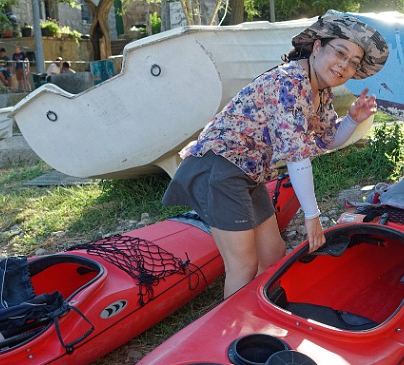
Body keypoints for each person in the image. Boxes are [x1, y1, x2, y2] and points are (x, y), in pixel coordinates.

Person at [162, 11, 388, 299]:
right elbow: (297, 156)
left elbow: (328, 139)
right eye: (340, 53)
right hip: (217, 165)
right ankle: (233, 332)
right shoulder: (289, 82)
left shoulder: (319, 90)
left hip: (247, 172)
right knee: (243, 266)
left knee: (273, 252)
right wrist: (312, 216)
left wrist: (353, 119)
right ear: (317, 46)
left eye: (353, 63)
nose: (344, 65)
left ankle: (258, 309)